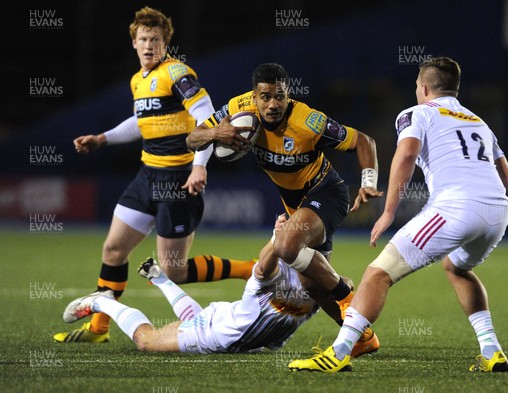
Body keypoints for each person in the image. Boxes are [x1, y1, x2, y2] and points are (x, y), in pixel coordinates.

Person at [288, 56, 508, 372]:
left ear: (422, 87)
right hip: (497, 213)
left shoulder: (417, 113)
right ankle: (492, 351)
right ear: (455, 88)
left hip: (455, 207)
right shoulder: (479, 122)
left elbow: (407, 153)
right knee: (457, 268)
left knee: (377, 273)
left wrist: (388, 212)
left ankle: (339, 353)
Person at [54, 7, 255, 344]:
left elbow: (207, 120)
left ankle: (249, 269)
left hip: (178, 180)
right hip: (147, 175)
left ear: (165, 43)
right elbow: (141, 122)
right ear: (134, 42)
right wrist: (102, 138)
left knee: (173, 269)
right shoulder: (139, 80)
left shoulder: (177, 73)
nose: (149, 45)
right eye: (143, 39)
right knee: (113, 250)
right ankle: (98, 328)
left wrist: (199, 166)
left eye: (156, 40)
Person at [186, 63, 384, 357]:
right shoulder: (237, 109)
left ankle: (347, 296)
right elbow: (192, 138)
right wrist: (216, 132)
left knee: (285, 245)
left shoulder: (308, 121)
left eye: (280, 96)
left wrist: (368, 182)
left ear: (288, 95)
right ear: (254, 97)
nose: (273, 104)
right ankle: (363, 337)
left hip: (326, 193)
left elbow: (363, 141)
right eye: (265, 97)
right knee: (312, 286)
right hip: (295, 205)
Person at [61, 216, 354, 355]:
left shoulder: (321, 285)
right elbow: (265, 264)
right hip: (216, 336)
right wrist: (276, 238)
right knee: (146, 342)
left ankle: (159, 278)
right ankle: (102, 300)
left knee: (193, 319)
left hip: (231, 327)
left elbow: (345, 289)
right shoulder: (270, 277)